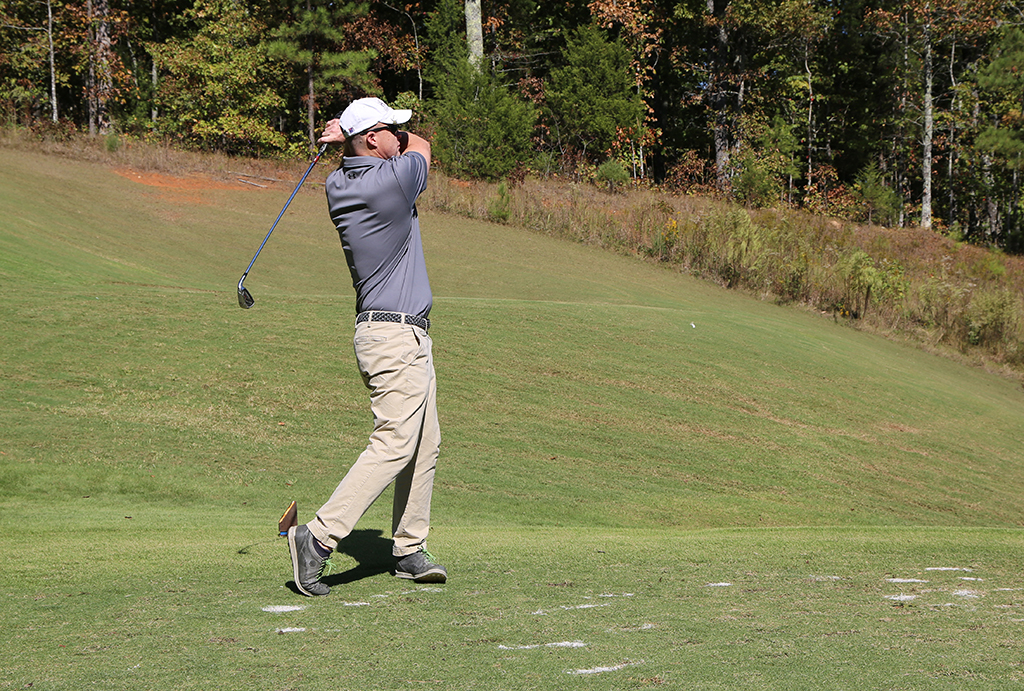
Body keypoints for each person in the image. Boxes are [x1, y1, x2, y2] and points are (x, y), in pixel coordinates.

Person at [288, 97, 445, 597]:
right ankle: (317, 537)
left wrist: (345, 140)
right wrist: (355, 135)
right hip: (394, 335)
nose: (403, 134)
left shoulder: (339, 183)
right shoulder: (391, 181)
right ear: (374, 139)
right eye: (392, 129)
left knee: (425, 441)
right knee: (396, 441)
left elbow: (377, 150)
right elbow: (422, 146)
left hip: (396, 333)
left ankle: (407, 548)